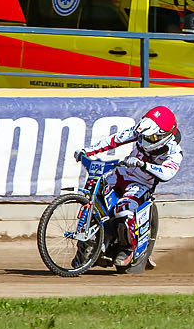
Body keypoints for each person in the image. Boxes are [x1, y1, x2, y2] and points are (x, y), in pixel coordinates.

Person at [77, 104, 182, 270]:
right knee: (94, 189)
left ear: (165, 136)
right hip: (120, 173)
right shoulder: (140, 133)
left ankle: (127, 249)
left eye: (152, 138)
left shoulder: (174, 152)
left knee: (122, 210)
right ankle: (91, 241)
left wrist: (143, 164)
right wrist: (87, 151)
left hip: (140, 185)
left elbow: (167, 174)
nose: (146, 141)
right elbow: (114, 140)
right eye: (145, 136)